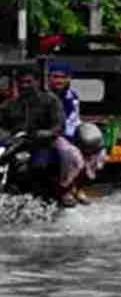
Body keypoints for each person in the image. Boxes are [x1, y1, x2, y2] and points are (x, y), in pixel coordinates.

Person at [0, 66, 71, 205]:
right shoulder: (9, 104)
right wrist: (10, 137)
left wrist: (41, 134)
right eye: (21, 82)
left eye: (28, 82)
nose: (24, 86)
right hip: (15, 146)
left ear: (37, 82)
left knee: (45, 165)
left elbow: (58, 126)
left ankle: (65, 190)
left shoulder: (50, 101)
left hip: (43, 145)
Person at [47, 63, 91, 205]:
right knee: (68, 154)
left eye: (62, 77)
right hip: (50, 134)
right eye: (55, 77)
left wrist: (79, 134)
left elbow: (74, 118)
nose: (59, 80)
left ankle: (79, 188)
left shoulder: (72, 96)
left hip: (69, 133)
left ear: (69, 78)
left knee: (92, 149)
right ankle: (64, 190)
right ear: (49, 78)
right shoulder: (44, 95)